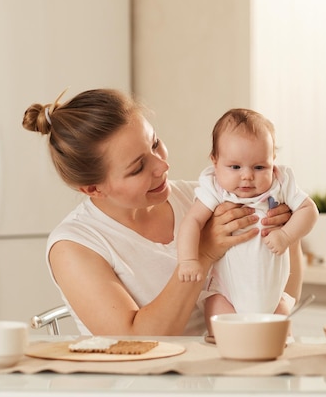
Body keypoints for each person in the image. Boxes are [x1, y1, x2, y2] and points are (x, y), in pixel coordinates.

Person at [21, 88, 302, 336]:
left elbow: (280, 287)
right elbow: (133, 340)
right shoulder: (75, 246)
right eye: (137, 168)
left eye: (155, 143)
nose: (162, 166)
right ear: (93, 189)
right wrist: (203, 252)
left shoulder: (207, 199)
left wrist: (286, 230)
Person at [176, 108, 318, 333]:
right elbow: (191, 221)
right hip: (227, 294)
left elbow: (309, 210)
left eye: (259, 167)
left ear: (273, 161)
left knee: (277, 340)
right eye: (235, 167)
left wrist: (286, 235)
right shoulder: (215, 189)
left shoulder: (281, 184)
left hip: (274, 297)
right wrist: (188, 260)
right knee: (220, 325)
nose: (247, 176)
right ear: (215, 161)